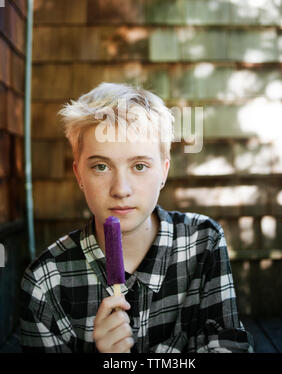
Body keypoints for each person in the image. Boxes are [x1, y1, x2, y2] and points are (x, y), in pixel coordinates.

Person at [20, 82, 254, 353]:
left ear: (164, 171)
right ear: (79, 175)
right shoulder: (45, 282)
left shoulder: (204, 242)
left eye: (139, 166)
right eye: (101, 166)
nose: (121, 189)